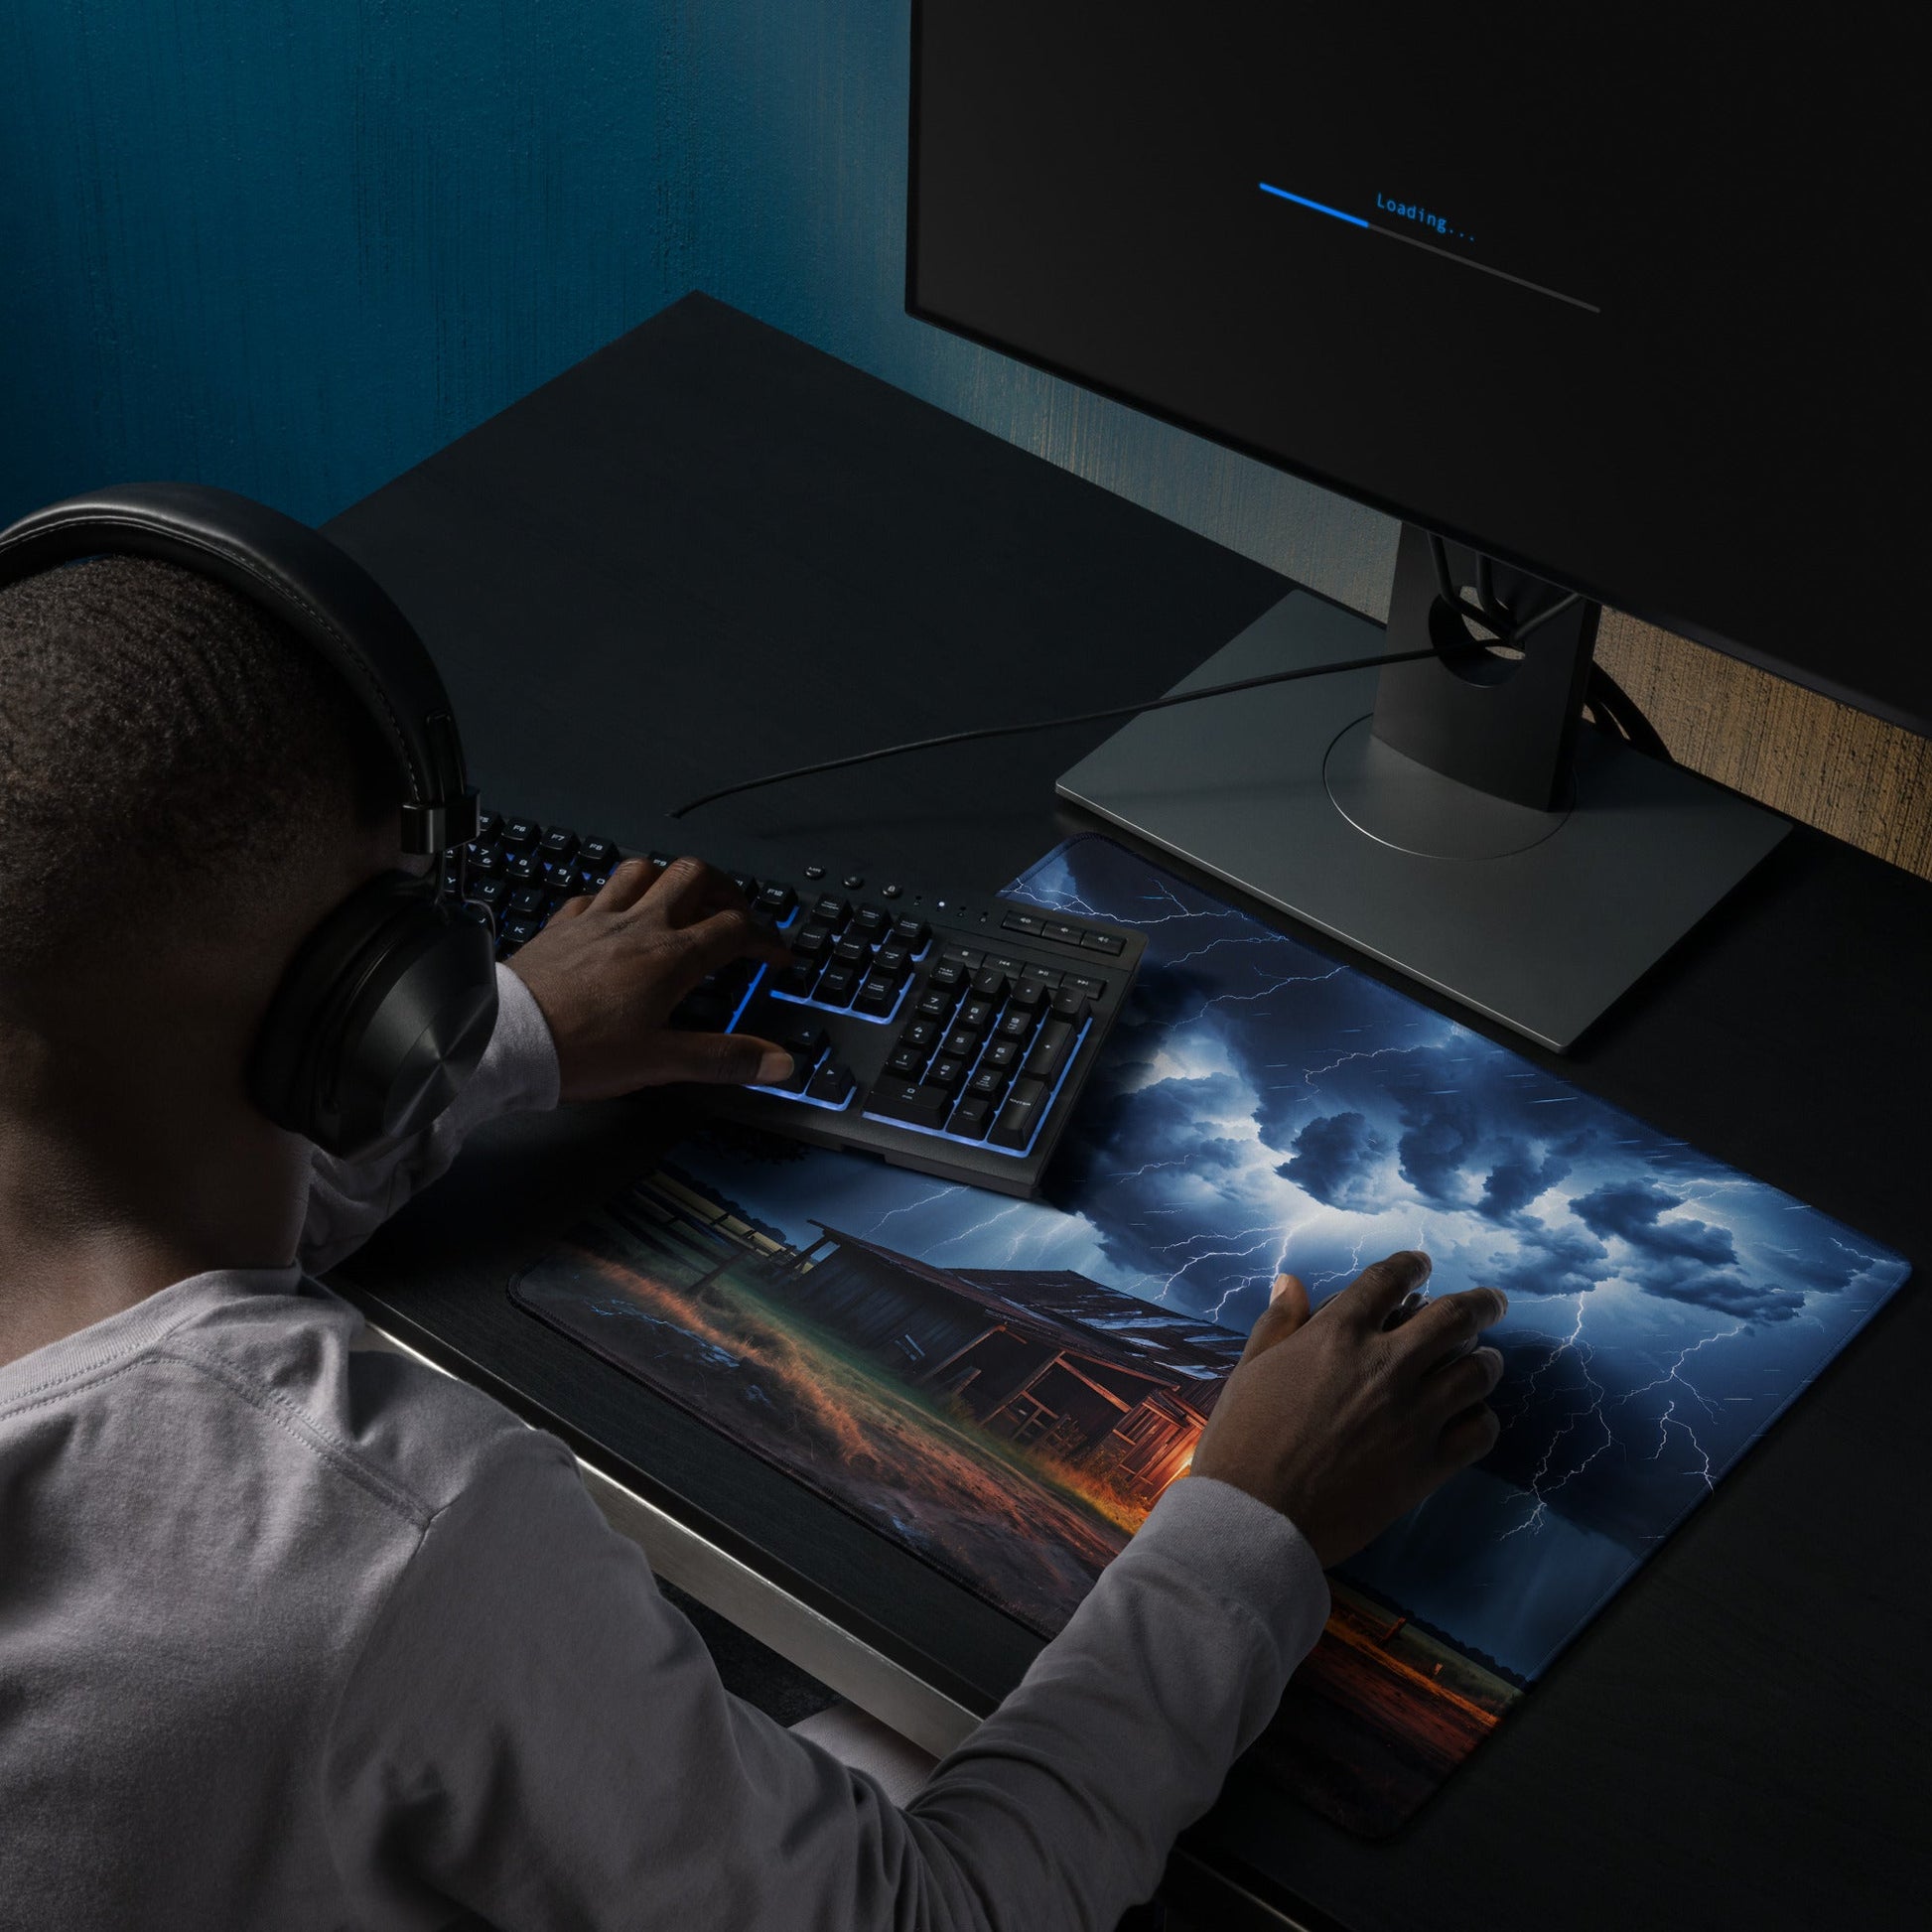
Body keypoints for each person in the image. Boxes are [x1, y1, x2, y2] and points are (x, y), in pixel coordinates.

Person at [0, 555, 1507, 1932]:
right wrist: (1251, 1520)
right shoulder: (384, 1536)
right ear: (369, 1006)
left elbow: (144, 1168)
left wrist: (510, 1039)